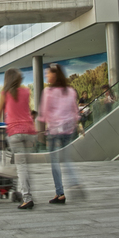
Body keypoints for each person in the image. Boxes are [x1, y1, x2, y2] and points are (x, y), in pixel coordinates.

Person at [0, 68, 37, 209]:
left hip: (15, 132)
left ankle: (27, 198)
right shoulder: (26, 91)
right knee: (25, 165)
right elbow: (26, 110)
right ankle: (27, 192)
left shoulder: (5, 93)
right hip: (29, 131)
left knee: (21, 166)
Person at [38, 64, 81, 204]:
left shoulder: (48, 92)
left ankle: (60, 192)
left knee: (54, 162)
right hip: (68, 130)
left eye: (48, 73)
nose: (46, 76)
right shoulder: (70, 91)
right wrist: (77, 126)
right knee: (66, 159)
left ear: (55, 75)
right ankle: (74, 182)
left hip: (54, 131)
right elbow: (75, 111)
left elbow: (43, 113)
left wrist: (41, 132)